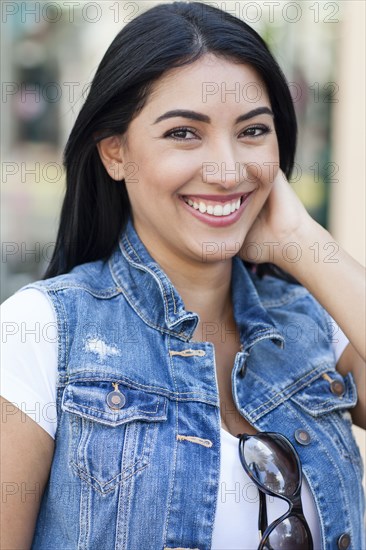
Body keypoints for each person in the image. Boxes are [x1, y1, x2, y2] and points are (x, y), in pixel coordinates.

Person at [1, 2, 365, 549]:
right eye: (184, 134)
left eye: (253, 131)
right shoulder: (43, 333)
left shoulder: (317, 324)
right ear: (115, 152)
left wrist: (307, 245)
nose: (227, 171)